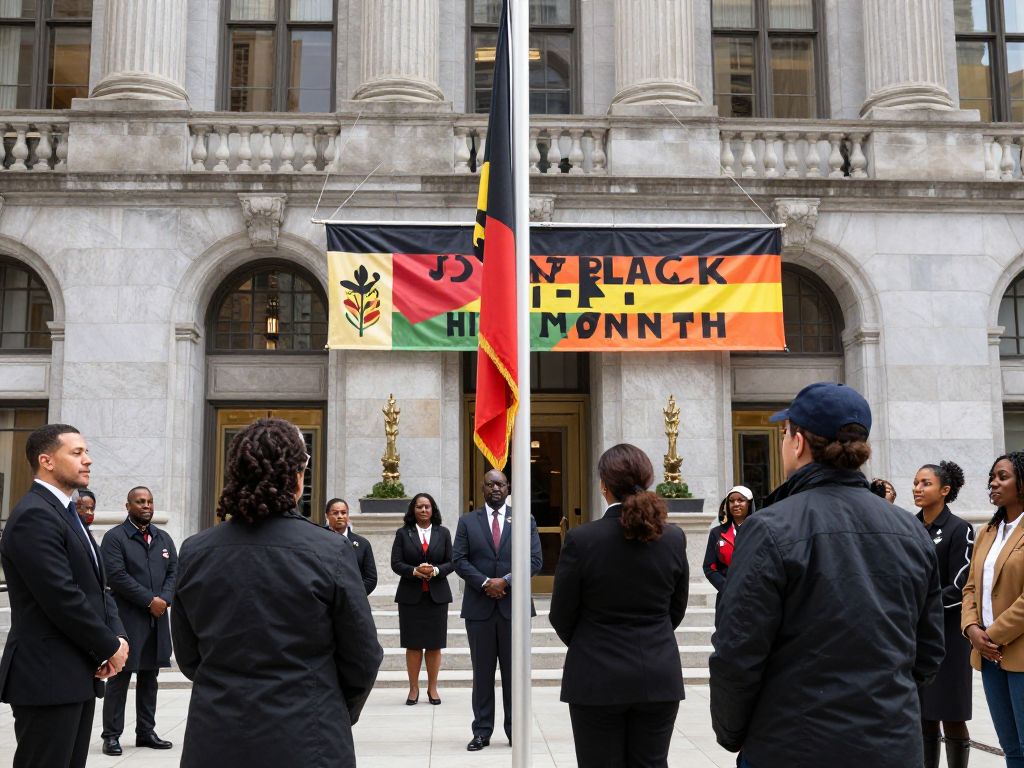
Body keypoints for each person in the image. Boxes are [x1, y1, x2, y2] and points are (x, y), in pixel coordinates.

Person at [709, 382, 944, 768]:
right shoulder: (911, 530)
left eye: (784, 433)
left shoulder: (769, 528)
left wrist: (733, 733)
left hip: (792, 746)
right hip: (890, 744)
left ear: (798, 442)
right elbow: (929, 650)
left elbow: (737, 652)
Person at [171, 418, 382, 768]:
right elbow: (363, 656)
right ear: (298, 479)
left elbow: (188, 655)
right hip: (308, 735)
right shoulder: (330, 550)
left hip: (217, 735)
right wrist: (329, 706)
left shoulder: (195, 551)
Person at [549, 443, 689, 768]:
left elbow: (561, 614)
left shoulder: (582, 539)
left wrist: (590, 641)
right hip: (657, 671)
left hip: (596, 674)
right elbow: (676, 608)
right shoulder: (672, 538)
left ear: (603, 485)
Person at [0, 424, 129, 768]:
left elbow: (98, 587)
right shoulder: (34, 515)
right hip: (46, 675)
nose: (88, 460)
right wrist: (108, 645)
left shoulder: (69, 513)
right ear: (47, 461)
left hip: (76, 672)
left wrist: (116, 637)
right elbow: (61, 596)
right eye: (76, 453)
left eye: (87, 452)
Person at [453, 468, 542, 751]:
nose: (495, 488)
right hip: (479, 609)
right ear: (482, 488)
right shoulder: (468, 521)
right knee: (482, 674)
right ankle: (482, 731)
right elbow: (459, 559)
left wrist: (505, 581)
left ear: (508, 488)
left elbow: (535, 560)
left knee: (515, 674)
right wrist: (484, 583)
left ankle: (516, 731)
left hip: (513, 609)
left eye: (500, 484)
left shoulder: (524, 519)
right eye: (490, 484)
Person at [99, 486, 178, 756]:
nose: (146, 506)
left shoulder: (163, 538)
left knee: (150, 676)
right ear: (128, 506)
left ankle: (146, 731)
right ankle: (111, 735)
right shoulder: (115, 538)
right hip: (127, 618)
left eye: (150, 502)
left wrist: (164, 599)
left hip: (157, 619)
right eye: (140, 501)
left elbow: (174, 572)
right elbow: (116, 576)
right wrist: (149, 600)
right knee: (120, 677)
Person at [962, 451, 1024, 767]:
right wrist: (972, 629)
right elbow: (970, 587)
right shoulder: (987, 531)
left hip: (1018, 652)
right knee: (1010, 746)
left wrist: (992, 635)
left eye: (1003, 476)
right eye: (992, 477)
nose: (994, 483)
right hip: (988, 655)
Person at [911, 461, 973, 768]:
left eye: (926, 483)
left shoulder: (959, 529)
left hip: (947, 634)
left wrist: (921, 605)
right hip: (913, 634)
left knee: (951, 714)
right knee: (923, 716)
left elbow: (959, 586)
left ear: (945, 490)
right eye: (916, 483)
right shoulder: (908, 526)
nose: (917, 488)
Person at [391, 492, 454, 706]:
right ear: (413, 510)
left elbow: (452, 562)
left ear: (433, 509)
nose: (424, 510)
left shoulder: (443, 533)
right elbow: (396, 563)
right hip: (410, 597)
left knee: (435, 645)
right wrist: (414, 571)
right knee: (413, 644)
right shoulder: (403, 533)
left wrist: (435, 570)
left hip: (437, 597)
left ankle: (432, 688)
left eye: (427, 506)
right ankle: (413, 688)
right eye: (419, 507)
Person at [703, 485, 755, 601]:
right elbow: (709, 567)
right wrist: (727, 588)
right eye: (731, 501)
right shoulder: (716, 533)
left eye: (740, 500)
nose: (735, 504)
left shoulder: (760, 531)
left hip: (754, 595)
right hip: (726, 596)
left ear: (749, 504)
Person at [326, 497, 378, 594]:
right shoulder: (318, 541)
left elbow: (371, 579)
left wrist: (355, 596)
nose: (340, 516)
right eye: (335, 513)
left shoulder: (363, 544)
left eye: (343, 513)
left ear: (348, 516)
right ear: (327, 516)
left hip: (354, 599)